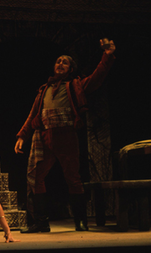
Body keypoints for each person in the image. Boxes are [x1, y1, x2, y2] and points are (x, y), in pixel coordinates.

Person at [14, 39, 116, 233]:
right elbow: (32, 115)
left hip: (65, 135)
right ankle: (41, 222)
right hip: (44, 136)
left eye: (65, 62)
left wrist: (107, 55)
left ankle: (80, 221)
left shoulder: (75, 86)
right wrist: (22, 136)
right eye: (58, 61)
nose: (60, 63)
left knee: (73, 178)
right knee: (35, 177)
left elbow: (97, 77)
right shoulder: (43, 89)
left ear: (70, 69)